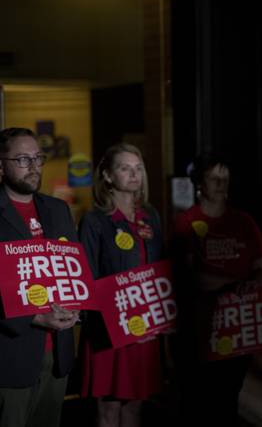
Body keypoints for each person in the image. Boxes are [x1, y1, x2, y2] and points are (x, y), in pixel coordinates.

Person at [0, 127, 80, 427]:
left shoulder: (59, 210)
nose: (34, 167)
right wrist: (33, 317)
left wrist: (76, 307)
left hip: (57, 356)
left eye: (38, 157)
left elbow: (74, 271)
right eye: (23, 159)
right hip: (7, 358)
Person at [173, 154, 262, 425]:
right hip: (200, 322)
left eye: (225, 179)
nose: (221, 184)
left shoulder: (243, 221)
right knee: (197, 398)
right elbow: (192, 275)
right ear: (199, 183)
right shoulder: (187, 221)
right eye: (214, 178)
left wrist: (254, 283)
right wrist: (234, 284)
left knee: (230, 395)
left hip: (237, 322)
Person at [78, 143, 163, 427]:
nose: (134, 174)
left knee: (135, 408)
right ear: (107, 176)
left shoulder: (150, 215)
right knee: (108, 410)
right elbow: (87, 277)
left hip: (146, 328)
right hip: (108, 329)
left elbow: (161, 270)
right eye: (125, 168)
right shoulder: (94, 220)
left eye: (138, 168)